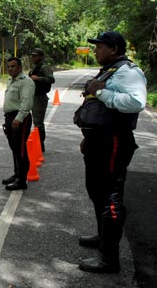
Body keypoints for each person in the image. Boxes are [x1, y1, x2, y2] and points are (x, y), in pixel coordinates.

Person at [77, 31, 147, 273]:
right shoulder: (112, 69)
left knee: (110, 197)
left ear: (114, 48)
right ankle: (103, 237)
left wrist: (100, 92)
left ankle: (109, 259)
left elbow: (136, 102)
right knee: (96, 192)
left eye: (99, 46)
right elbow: (98, 109)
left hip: (114, 142)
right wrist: (89, 138)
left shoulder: (129, 71)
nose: (95, 50)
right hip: (99, 142)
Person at [1, 57, 35, 191]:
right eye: (8, 66)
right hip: (10, 118)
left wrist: (19, 118)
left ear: (20, 67)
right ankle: (17, 174)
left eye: (13, 66)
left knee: (21, 150)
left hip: (20, 118)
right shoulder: (10, 80)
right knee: (14, 148)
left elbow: (26, 102)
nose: (10, 69)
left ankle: (22, 180)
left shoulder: (25, 82)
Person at [28, 48, 55, 152]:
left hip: (40, 97)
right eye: (32, 55)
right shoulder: (36, 67)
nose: (33, 57)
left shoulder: (44, 67)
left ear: (41, 56)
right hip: (33, 96)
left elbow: (51, 79)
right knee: (35, 121)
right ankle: (38, 143)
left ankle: (40, 145)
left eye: (35, 56)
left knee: (38, 122)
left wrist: (38, 78)